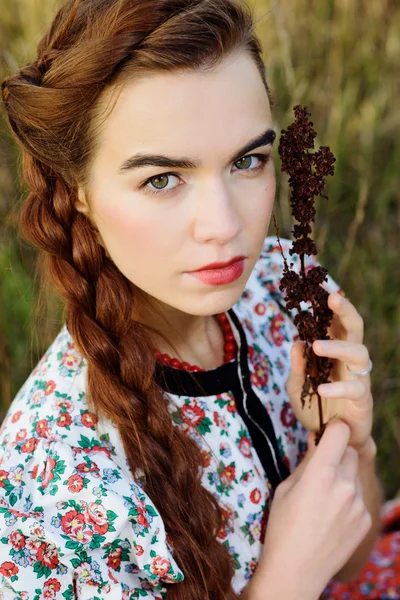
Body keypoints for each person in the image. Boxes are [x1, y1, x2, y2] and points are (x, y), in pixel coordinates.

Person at [0, 0, 399, 598]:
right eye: (162, 179)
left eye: (248, 161)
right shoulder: (51, 482)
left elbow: (351, 561)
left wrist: (350, 444)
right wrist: (285, 580)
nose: (223, 225)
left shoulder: (281, 288)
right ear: (77, 191)